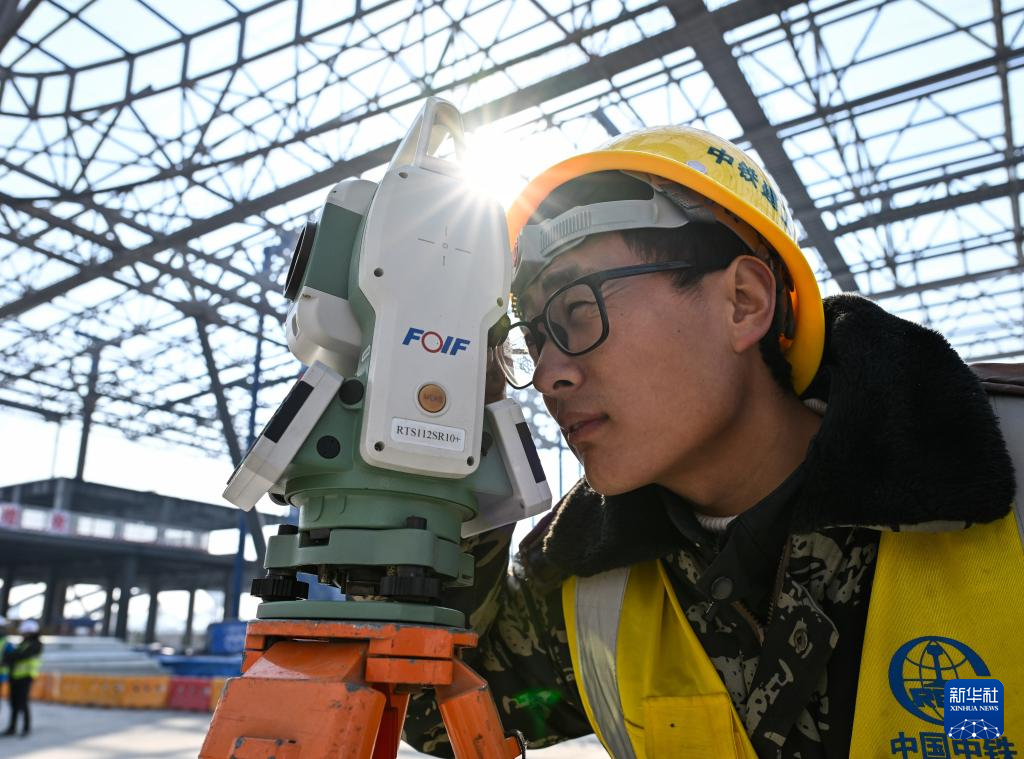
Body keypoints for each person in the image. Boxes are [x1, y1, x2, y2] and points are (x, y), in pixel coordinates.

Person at [403, 126, 1022, 758]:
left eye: (577, 310)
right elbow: (427, 699)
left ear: (743, 303)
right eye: (534, 338)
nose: (546, 375)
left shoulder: (1008, 480)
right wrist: (451, 435)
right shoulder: (586, 585)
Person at [3, 619, 42, 738]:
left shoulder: (35, 645)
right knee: (13, 703)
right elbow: (12, 656)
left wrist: (11, 656)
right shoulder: (23, 643)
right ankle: (12, 728)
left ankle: (26, 728)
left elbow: (19, 656)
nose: (22, 634)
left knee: (23, 703)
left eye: (24, 632)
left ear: (29, 632)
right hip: (15, 676)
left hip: (26, 677)